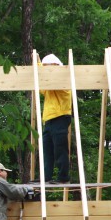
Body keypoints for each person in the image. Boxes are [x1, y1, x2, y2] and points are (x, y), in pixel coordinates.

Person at [40, 54, 72, 184]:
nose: (46, 71)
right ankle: (46, 177)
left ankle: (63, 177)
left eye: (48, 68)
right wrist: (37, 63)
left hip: (60, 117)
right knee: (47, 151)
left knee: (60, 149)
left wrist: (39, 66)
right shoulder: (48, 86)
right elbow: (43, 87)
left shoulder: (63, 81)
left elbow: (50, 82)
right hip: (49, 119)